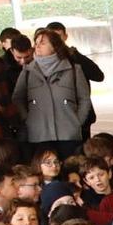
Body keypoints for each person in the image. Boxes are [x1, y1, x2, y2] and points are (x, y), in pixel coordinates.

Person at [12, 29, 92, 160]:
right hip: (38, 135)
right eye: (36, 42)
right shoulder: (28, 71)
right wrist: (27, 119)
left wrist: (77, 121)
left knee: (70, 172)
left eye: (42, 43)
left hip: (68, 135)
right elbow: (17, 98)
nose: (37, 46)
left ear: (55, 46)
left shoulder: (73, 69)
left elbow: (84, 98)